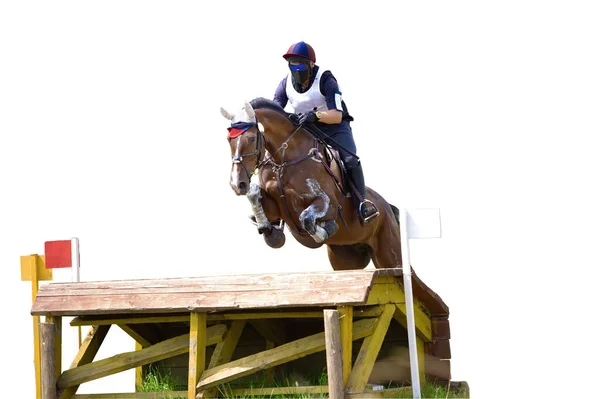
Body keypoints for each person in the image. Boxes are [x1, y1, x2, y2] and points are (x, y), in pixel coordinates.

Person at [273, 41, 379, 223]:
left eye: (300, 64)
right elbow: (275, 110)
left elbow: (337, 115)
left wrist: (315, 115)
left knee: (350, 160)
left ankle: (362, 203)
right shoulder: (285, 84)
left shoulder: (326, 80)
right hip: (307, 129)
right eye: (292, 64)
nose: (296, 68)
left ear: (311, 64)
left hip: (334, 128)